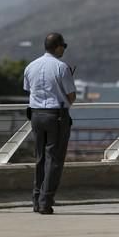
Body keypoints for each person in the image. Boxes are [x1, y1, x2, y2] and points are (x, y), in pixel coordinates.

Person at [23, 32, 77, 215]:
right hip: (57, 116)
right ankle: (45, 201)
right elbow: (71, 96)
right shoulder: (62, 68)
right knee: (54, 159)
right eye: (64, 46)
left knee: (40, 158)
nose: (64, 50)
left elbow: (28, 89)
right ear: (58, 47)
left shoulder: (31, 66)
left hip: (36, 115)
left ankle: (36, 199)